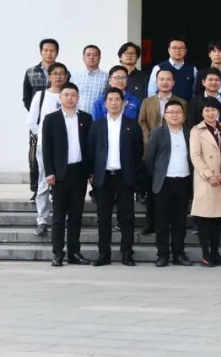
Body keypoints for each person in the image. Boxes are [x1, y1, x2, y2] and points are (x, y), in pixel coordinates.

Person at [88, 87, 143, 266]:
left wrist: (132, 172)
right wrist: (92, 174)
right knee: (103, 218)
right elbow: (91, 151)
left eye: (117, 100)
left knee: (126, 217)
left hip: (124, 176)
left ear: (123, 103)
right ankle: (104, 253)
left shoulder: (132, 124)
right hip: (103, 177)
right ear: (105, 103)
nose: (113, 103)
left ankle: (127, 253)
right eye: (110, 100)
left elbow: (138, 152)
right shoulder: (97, 125)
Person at [41, 82, 92, 267]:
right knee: (58, 217)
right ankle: (57, 253)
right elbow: (47, 148)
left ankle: (74, 252)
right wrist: (49, 172)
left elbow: (90, 147)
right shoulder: (51, 119)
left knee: (76, 216)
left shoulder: (86, 118)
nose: (70, 98)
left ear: (78, 98)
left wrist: (90, 171)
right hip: (59, 173)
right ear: (60, 98)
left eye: (73, 95)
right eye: (66, 95)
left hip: (79, 172)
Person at [144, 100, 194, 267]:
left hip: (183, 181)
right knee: (162, 222)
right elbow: (149, 159)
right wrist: (157, 176)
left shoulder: (189, 133)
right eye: (170, 112)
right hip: (163, 183)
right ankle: (163, 254)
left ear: (184, 116)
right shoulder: (158, 133)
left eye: (178, 112)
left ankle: (179, 254)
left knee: (180, 222)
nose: (174, 115)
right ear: (164, 115)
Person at [189, 97, 221, 268]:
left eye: (213, 109)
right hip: (205, 179)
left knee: (217, 219)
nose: (210, 113)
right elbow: (195, 156)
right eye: (207, 110)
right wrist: (209, 175)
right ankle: (206, 255)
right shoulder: (196, 130)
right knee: (204, 218)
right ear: (201, 112)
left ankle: (215, 253)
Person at [27, 62, 68, 236]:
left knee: (64, 182)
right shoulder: (41, 95)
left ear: (66, 76)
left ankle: (63, 217)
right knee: (44, 183)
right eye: (55, 73)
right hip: (45, 146)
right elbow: (31, 121)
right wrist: (44, 137)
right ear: (49, 76)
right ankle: (42, 220)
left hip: (66, 148)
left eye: (61, 73)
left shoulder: (69, 94)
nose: (58, 76)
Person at [24, 39, 59, 203]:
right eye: (46, 50)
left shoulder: (62, 71)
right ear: (41, 52)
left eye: (52, 50)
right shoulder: (31, 72)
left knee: (56, 157)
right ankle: (36, 189)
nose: (49, 53)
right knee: (35, 157)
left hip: (59, 123)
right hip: (38, 123)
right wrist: (36, 115)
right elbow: (26, 98)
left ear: (57, 53)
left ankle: (54, 189)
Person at [70, 45, 108, 114]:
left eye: (95, 55)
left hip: (98, 117)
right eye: (88, 55)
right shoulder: (75, 76)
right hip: (77, 116)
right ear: (83, 58)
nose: (91, 57)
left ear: (99, 58)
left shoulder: (107, 77)